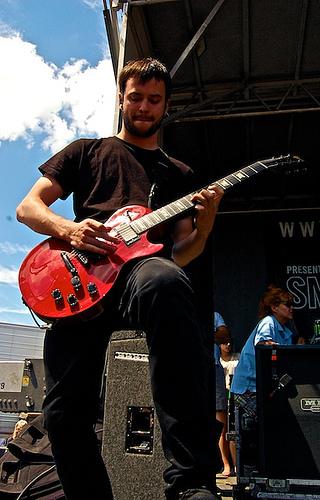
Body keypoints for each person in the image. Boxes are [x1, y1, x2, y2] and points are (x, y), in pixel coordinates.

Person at [16, 58, 224, 500]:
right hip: (82, 276)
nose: (144, 107)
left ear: (166, 105)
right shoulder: (87, 151)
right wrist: (69, 230)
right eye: (136, 97)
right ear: (121, 98)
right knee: (62, 414)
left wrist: (203, 228)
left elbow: (184, 251)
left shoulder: (179, 175)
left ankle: (189, 482)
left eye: (154, 99)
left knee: (165, 280)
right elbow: (28, 208)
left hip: (140, 273)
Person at [230, 285, 297, 473]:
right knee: (254, 432)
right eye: (287, 304)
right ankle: (249, 471)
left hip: (267, 388)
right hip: (249, 388)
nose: (291, 308)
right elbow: (264, 345)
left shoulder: (286, 330)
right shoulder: (268, 322)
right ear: (274, 307)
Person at [215, 329, 239, 475]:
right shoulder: (218, 362)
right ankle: (226, 464)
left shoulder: (238, 357)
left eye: (229, 341)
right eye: (224, 343)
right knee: (222, 431)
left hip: (235, 396)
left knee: (234, 432)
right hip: (221, 397)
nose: (228, 345)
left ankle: (236, 465)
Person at [213, 313, 235, 477]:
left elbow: (224, 335)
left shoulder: (214, 314)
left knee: (220, 419)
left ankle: (226, 464)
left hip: (212, 367)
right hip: (190, 367)